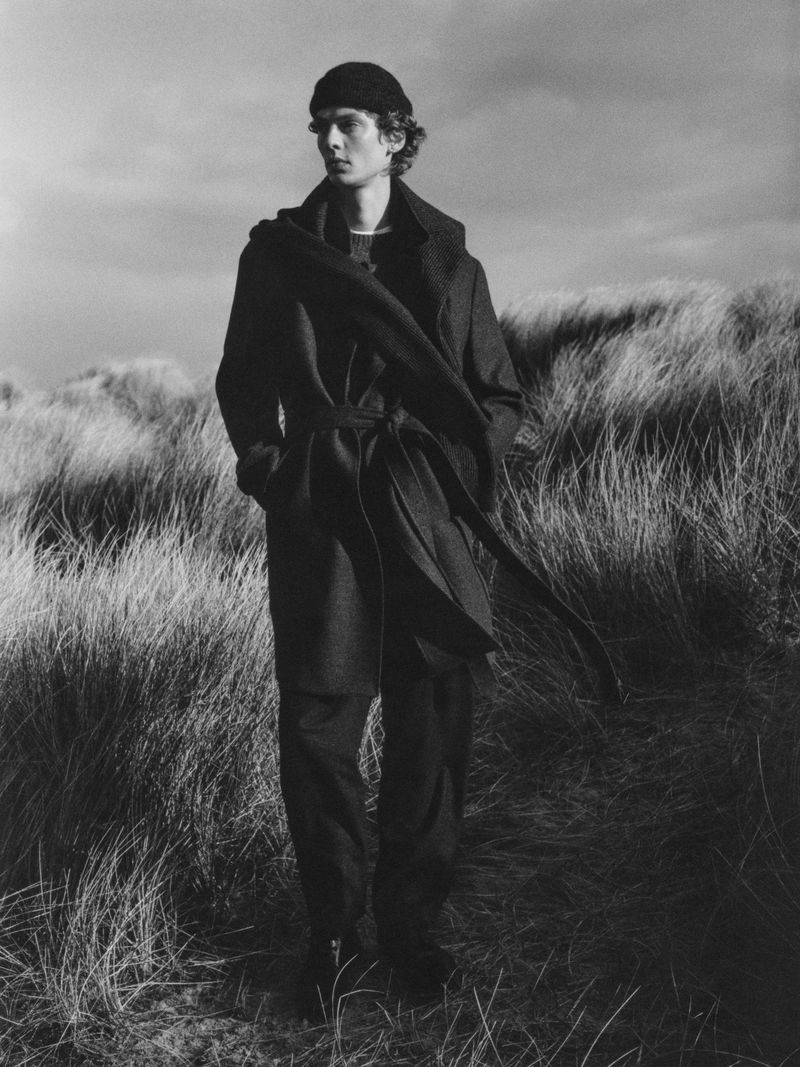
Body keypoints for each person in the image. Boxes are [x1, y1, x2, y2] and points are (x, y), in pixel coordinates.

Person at [216, 61, 524, 1017]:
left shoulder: (453, 264)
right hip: (324, 513)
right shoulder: (278, 255)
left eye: (347, 122)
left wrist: (449, 472)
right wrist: (276, 472)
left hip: (421, 513)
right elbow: (241, 382)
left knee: (431, 724)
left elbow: (499, 397)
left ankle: (411, 932)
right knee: (318, 731)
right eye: (319, 124)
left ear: (395, 135)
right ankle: (333, 938)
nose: (328, 139)